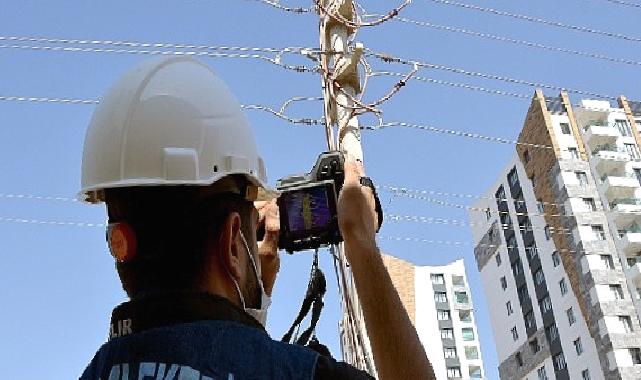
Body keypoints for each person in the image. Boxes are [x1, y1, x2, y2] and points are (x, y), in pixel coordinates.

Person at [79, 57, 435, 380]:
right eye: (250, 229)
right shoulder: (299, 373)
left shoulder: (96, 371)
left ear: (120, 243)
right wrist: (361, 242)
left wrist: (249, 306)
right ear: (233, 241)